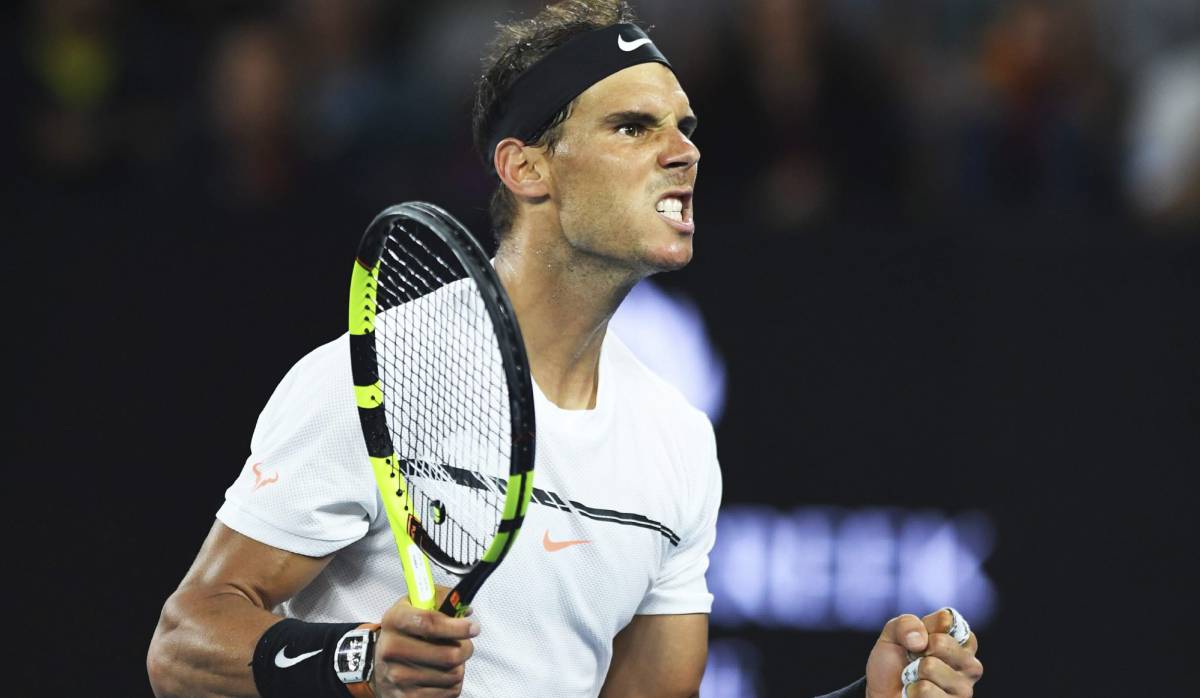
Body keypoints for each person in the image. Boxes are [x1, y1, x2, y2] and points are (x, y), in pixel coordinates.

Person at [147, 2, 984, 697]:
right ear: (527, 169)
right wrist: (356, 657)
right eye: (632, 126)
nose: (684, 150)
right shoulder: (377, 377)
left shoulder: (678, 441)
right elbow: (185, 642)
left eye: (685, 127)